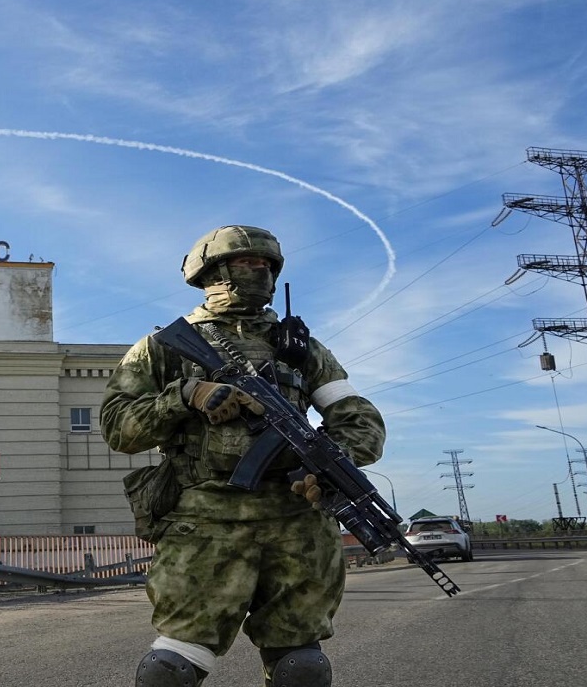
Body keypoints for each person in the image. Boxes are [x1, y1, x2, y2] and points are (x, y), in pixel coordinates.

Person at [101, 226, 386, 687]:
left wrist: (333, 464)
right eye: (247, 263)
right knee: (170, 670)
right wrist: (185, 395)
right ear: (212, 272)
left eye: (267, 265)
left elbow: (360, 420)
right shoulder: (163, 347)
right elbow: (118, 427)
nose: (260, 272)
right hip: (206, 520)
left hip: (297, 521)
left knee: (302, 668)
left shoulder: (301, 348)